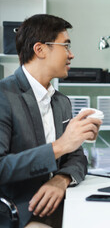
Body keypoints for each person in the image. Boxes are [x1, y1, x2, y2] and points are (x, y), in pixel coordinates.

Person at [0, 14, 102, 228]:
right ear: (40, 49)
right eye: (65, 46)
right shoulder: (4, 95)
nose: (72, 55)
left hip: (64, 204)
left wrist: (61, 179)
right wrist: (60, 146)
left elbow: (77, 158)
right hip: (20, 212)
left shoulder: (61, 102)